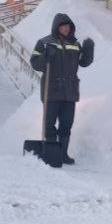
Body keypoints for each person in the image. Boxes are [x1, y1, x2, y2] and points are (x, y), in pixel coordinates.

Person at [30, 13, 94, 165]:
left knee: (66, 124)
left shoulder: (75, 44)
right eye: (63, 25)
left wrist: (89, 50)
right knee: (50, 124)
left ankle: (63, 153)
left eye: (68, 26)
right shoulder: (44, 43)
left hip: (69, 92)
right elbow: (34, 63)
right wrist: (45, 56)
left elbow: (84, 63)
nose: (66, 28)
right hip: (51, 91)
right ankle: (52, 154)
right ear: (56, 26)